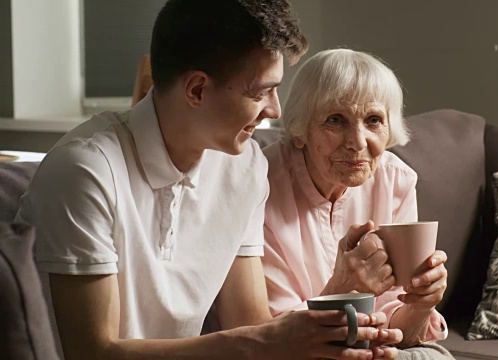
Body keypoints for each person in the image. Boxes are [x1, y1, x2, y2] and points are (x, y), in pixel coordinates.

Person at [16, 2, 401, 359]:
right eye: (261, 91)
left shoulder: (244, 166)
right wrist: (265, 341)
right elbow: (92, 353)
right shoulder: (86, 171)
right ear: (197, 89)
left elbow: (249, 328)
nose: (275, 109)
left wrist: (337, 335)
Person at [262, 49, 452, 354]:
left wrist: (420, 304)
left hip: (370, 347)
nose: (357, 142)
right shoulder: (261, 186)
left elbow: (398, 328)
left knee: (431, 355)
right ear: (300, 130)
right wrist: (341, 288)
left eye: (374, 120)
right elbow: (269, 337)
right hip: (295, 352)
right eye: (336, 120)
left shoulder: (396, 181)